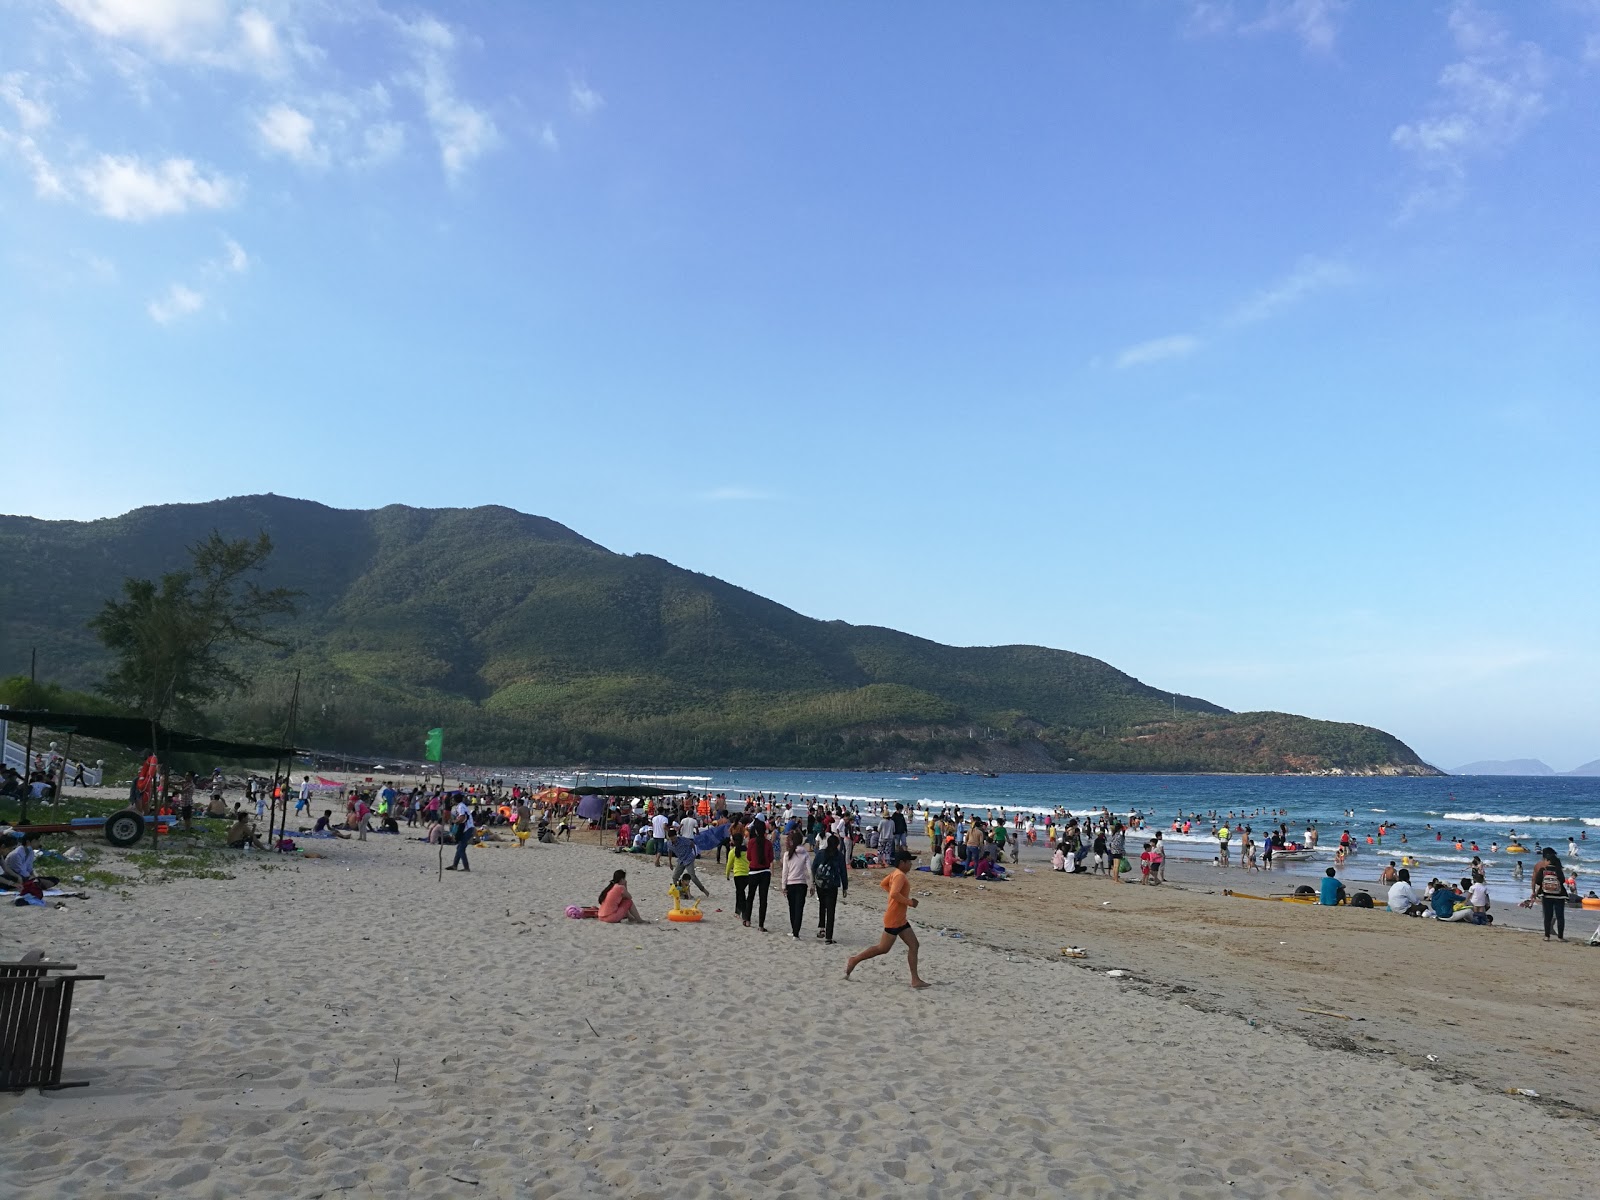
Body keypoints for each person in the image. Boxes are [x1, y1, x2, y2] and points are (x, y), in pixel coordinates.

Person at [845, 851, 929, 989]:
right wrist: (909, 902)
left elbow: (884, 884)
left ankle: (915, 979)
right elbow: (894, 893)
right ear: (902, 863)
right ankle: (854, 960)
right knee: (882, 948)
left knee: (914, 945)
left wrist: (894, 900)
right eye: (909, 861)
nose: (911, 864)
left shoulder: (895, 873)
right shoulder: (900, 876)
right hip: (894, 918)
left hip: (899, 918)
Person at [812, 833, 848, 943]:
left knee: (822, 905)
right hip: (832, 885)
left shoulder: (821, 853)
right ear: (837, 844)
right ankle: (828, 937)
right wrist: (845, 887)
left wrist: (814, 881)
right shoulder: (839, 856)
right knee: (831, 910)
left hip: (820, 884)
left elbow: (814, 867)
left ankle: (821, 929)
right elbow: (843, 872)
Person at [780, 831, 814, 939]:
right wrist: (811, 885)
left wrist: (783, 886)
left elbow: (785, 872)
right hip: (801, 884)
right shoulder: (805, 854)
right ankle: (796, 933)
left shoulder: (787, 854)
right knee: (799, 909)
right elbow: (809, 871)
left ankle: (794, 930)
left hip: (790, 884)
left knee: (792, 908)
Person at [1532, 848, 1568, 941]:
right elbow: (1563, 880)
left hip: (1546, 895)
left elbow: (1538, 881)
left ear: (1548, 860)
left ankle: (1547, 936)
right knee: (1560, 916)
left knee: (1548, 916)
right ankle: (1560, 937)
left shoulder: (1543, 870)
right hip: (1559, 895)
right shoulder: (1558, 870)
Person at [745, 818, 774, 931]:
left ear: (756, 831)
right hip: (765, 872)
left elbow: (748, 857)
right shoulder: (768, 843)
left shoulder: (752, 842)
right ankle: (761, 925)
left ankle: (747, 920)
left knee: (750, 896)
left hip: (754, 871)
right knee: (763, 899)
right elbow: (771, 858)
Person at [725, 834, 752, 925]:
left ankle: (744, 913)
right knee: (740, 892)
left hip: (738, 875)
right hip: (747, 875)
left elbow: (729, 865)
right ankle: (737, 911)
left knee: (741, 894)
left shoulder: (733, 852)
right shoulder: (747, 850)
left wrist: (727, 875)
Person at [446, 796, 474, 872]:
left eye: (452, 799)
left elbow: (462, 817)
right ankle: (455, 865)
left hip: (467, 829)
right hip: (468, 828)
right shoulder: (462, 805)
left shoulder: (460, 806)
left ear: (455, 800)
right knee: (460, 847)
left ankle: (466, 867)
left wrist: (454, 822)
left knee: (461, 848)